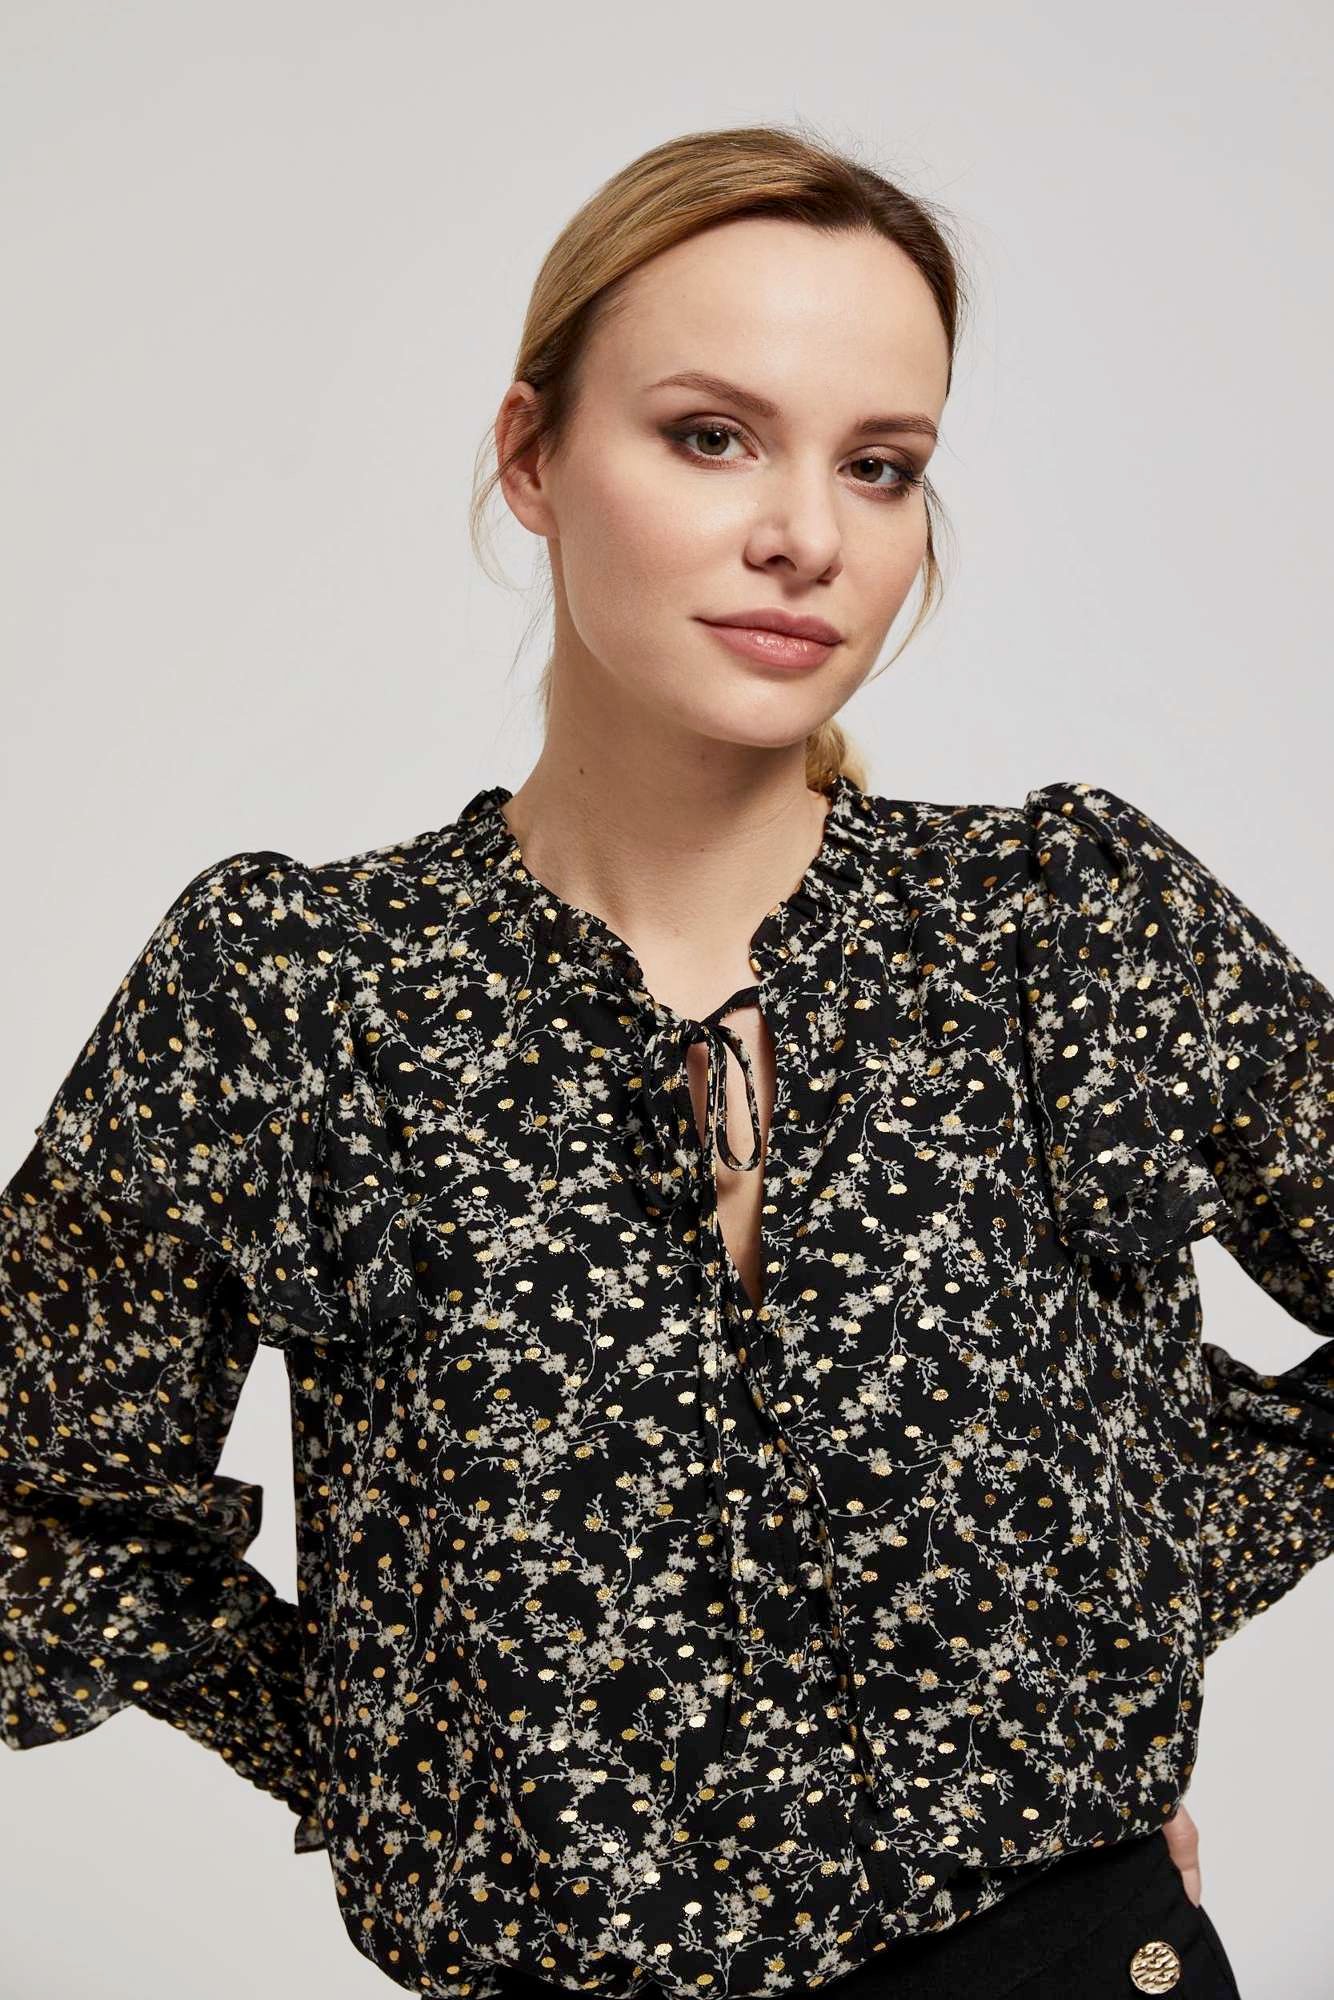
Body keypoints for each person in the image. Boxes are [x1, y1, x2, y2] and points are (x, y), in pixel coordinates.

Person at [4, 121, 1326, 2000]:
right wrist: (411, 1765)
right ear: (531, 456)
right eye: (712, 436)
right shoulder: (297, 990)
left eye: (879, 466)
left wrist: (1094, 1626)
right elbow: (39, 1498)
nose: (807, 535)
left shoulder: (1063, 925)